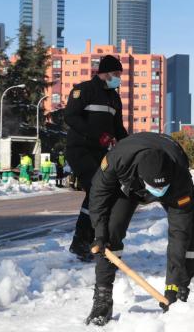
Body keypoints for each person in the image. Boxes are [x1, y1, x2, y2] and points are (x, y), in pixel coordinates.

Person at [85, 132, 194, 326]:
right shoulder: (117, 160)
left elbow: (179, 233)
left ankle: (179, 291)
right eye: (155, 189)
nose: (157, 195)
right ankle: (102, 299)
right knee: (110, 233)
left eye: (161, 189)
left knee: (189, 235)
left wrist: (172, 285)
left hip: (174, 184)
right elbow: (98, 196)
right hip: (128, 187)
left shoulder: (179, 176)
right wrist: (99, 232)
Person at [64, 55, 128, 262]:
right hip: (80, 149)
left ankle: (90, 241)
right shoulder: (84, 90)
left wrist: (131, 147)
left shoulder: (114, 98)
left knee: (103, 193)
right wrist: (95, 134)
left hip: (101, 153)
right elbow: (70, 116)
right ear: (105, 72)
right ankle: (81, 242)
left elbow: (118, 128)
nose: (118, 78)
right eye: (116, 74)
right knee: (97, 190)